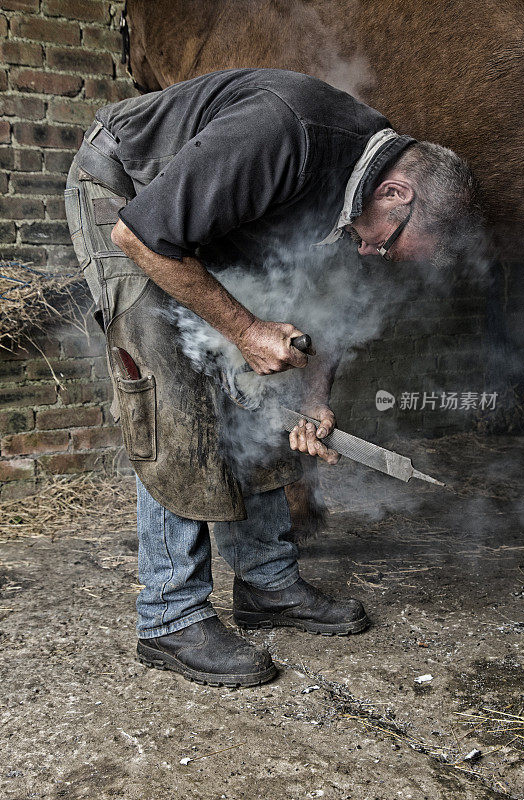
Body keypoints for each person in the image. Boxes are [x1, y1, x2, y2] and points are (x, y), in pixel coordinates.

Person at [65, 68, 476, 688]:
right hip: (128, 193)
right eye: (388, 246)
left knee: (260, 387)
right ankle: (169, 615)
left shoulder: (363, 190)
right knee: (171, 384)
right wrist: (247, 329)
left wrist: (314, 403)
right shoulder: (281, 136)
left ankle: (266, 582)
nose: (374, 255)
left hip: (204, 224)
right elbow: (140, 234)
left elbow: (331, 304)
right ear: (396, 192)